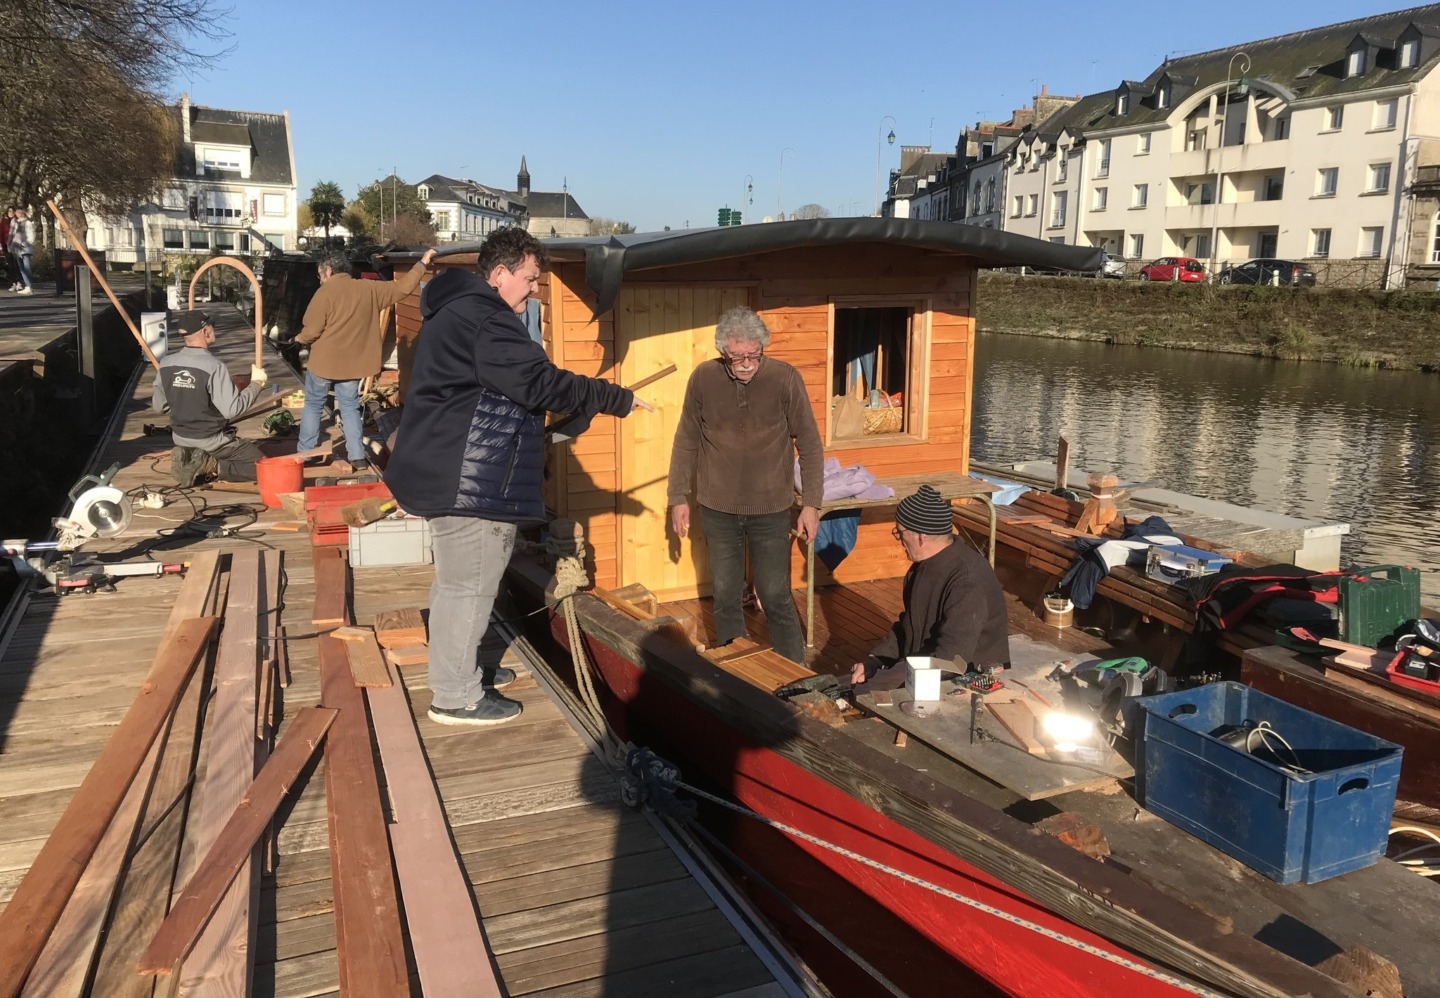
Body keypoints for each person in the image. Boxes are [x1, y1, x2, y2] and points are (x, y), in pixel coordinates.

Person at [385, 227, 653, 728]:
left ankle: (461, 672)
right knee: (469, 588)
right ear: (500, 274)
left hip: (450, 472)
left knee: (456, 584)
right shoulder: (487, 320)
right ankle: (456, 696)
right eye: (530, 279)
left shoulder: (458, 311)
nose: (535, 289)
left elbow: (500, 389)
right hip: (470, 482)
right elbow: (539, 382)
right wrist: (612, 397)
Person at [667, 306, 824, 664]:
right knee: (725, 596)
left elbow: (810, 443)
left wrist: (811, 505)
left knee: (775, 594)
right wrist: (678, 497)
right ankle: (736, 670)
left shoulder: (785, 378)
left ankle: (794, 671)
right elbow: (685, 440)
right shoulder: (703, 378)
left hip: (771, 508)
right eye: (737, 357)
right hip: (717, 508)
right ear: (723, 351)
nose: (747, 364)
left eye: (754, 354)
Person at [850, 484, 1011, 688]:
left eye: (900, 532)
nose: (898, 539)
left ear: (920, 536)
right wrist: (876, 660)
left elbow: (952, 658)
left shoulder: (967, 581)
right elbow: (908, 626)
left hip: (971, 681)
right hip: (931, 670)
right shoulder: (922, 568)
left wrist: (907, 683)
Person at [295, 247, 437, 469]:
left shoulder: (324, 293)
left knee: (313, 405)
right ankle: (357, 456)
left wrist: (299, 338)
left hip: (324, 363)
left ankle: (306, 454)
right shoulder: (369, 288)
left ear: (328, 271)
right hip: (354, 365)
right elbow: (403, 287)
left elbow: (312, 331)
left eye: (320, 275)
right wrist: (422, 263)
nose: (320, 280)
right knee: (350, 407)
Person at [153, 310, 269, 485]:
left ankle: (192, 457)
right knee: (264, 467)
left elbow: (159, 406)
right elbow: (232, 410)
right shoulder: (214, 367)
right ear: (205, 332)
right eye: (212, 326)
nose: (214, 329)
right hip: (211, 441)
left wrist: (184, 402)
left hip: (180, 437)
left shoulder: (166, 364)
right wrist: (256, 384)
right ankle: (212, 465)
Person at [8, 208, 34, 296]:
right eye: (16, 212)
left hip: (25, 248)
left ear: (22, 213)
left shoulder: (27, 223)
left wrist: (24, 244)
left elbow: (31, 236)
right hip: (17, 248)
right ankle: (27, 286)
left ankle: (29, 286)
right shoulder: (16, 223)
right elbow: (13, 235)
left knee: (27, 268)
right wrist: (11, 245)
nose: (17, 214)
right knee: (22, 269)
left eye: (19, 212)